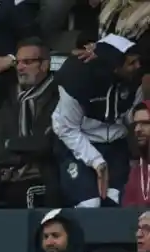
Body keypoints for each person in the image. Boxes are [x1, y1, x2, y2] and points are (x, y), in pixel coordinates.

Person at [51, 34, 142, 207]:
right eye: (131, 63)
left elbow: (131, 117)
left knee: (114, 201)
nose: (138, 66)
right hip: (78, 142)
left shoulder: (133, 80)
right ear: (114, 67)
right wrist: (96, 161)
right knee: (91, 203)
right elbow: (65, 128)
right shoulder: (77, 79)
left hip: (115, 145)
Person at [0, 38, 58, 209]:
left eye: (27, 62)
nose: (20, 68)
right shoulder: (11, 101)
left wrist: (10, 144)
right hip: (8, 177)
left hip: (44, 178)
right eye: (18, 62)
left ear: (44, 65)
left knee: (22, 194)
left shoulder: (58, 97)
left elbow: (47, 145)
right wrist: (22, 151)